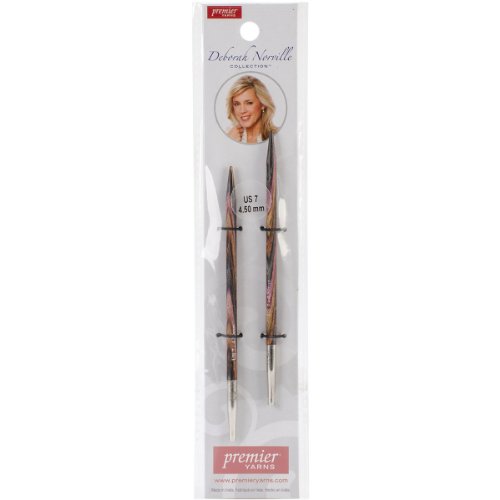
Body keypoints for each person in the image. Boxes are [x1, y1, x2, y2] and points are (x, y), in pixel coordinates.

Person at [226, 75, 278, 144]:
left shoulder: (277, 136)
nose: (242, 110)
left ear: (263, 104)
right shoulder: (228, 135)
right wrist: (229, 142)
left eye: (249, 103)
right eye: (237, 104)